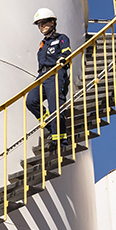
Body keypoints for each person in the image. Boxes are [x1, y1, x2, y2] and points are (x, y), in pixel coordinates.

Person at [26, 8, 71, 145]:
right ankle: (50, 126)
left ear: (52, 22)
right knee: (31, 101)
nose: (42, 26)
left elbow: (67, 52)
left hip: (55, 73)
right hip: (42, 76)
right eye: (39, 24)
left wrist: (63, 58)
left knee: (54, 106)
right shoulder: (42, 44)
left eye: (45, 22)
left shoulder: (61, 38)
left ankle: (60, 141)